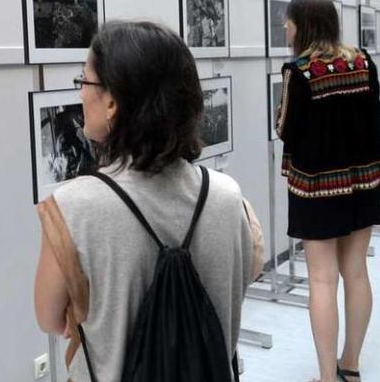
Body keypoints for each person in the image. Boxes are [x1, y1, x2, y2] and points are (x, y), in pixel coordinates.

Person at [33, 21, 256, 381]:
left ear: (112, 103)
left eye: (85, 81)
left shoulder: (72, 207)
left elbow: (49, 317)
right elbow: (245, 275)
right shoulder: (228, 196)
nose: (79, 94)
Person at [276, 0, 380, 382]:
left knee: (322, 280)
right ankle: (350, 366)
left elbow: (284, 128)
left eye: (288, 22)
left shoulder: (299, 70)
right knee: (356, 272)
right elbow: (377, 120)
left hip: (316, 188)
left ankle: (327, 378)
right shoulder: (362, 60)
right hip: (364, 181)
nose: (285, 28)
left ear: (303, 25)